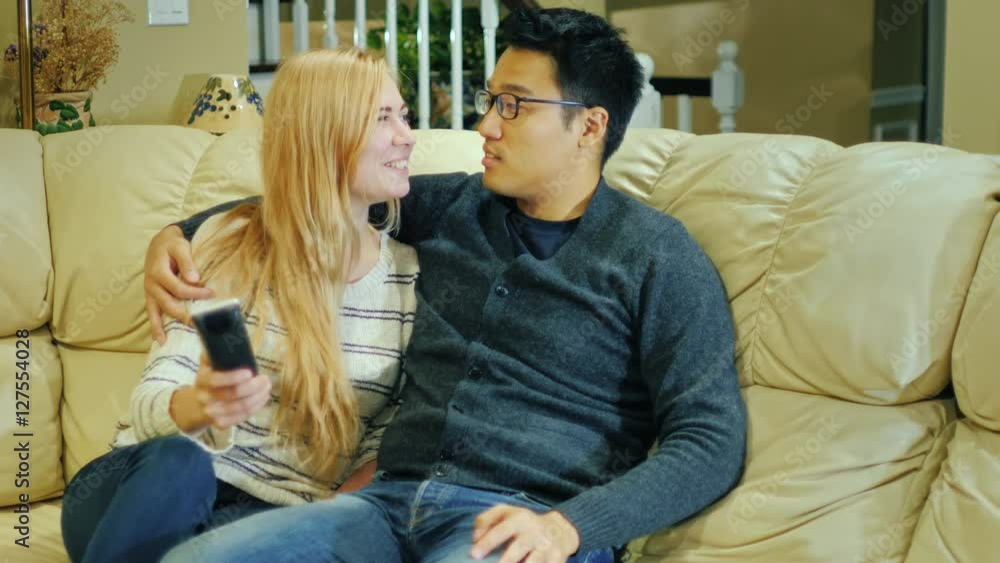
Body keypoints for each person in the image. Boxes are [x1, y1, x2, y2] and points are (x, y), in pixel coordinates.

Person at [149, 9, 747, 563]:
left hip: (519, 524)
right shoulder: (455, 206)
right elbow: (313, 197)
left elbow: (709, 439)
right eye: (491, 100)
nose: (486, 125)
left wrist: (570, 527)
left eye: (513, 105)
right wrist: (178, 232)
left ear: (589, 125)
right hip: (380, 509)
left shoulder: (658, 256)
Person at [59, 47, 419, 563]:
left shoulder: (408, 278)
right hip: (144, 487)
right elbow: (153, 397)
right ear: (323, 133)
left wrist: (325, 522)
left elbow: (386, 441)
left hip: (269, 514)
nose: (408, 135)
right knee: (182, 462)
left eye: (403, 115)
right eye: (383, 118)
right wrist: (203, 404)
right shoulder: (233, 242)